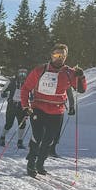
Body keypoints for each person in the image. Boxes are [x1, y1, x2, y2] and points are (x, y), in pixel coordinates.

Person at [19, 43, 87, 177]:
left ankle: (40, 164)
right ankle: (31, 162)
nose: (59, 57)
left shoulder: (70, 73)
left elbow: (81, 89)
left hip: (57, 111)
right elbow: (26, 88)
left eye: (62, 55)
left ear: (66, 57)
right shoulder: (40, 70)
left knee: (49, 140)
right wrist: (25, 106)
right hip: (38, 108)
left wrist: (81, 76)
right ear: (51, 55)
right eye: (56, 54)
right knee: (37, 136)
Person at [0, 69, 29, 149]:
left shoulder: (28, 83)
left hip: (22, 106)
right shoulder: (12, 81)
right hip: (12, 105)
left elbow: (31, 94)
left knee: (22, 124)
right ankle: (2, 137)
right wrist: (4, 94)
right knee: (9, 124)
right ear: (17, 73)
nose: (22, 75)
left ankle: (20, 142)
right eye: (21, 73)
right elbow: (2, 91)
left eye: (24, 73)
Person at [48, 86, 76, 158]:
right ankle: (43, 147)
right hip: (46, 106)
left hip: (59, 108)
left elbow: (69, 93)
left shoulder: (64, 78)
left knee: (57, 129)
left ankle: (52, 148)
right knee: (46, 128)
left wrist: (71, 106)